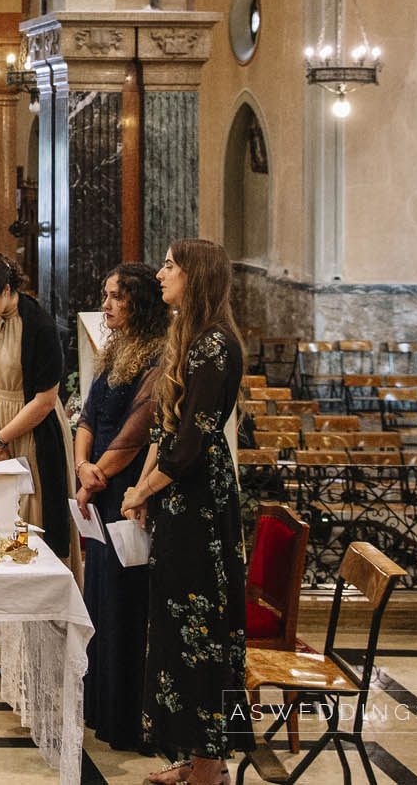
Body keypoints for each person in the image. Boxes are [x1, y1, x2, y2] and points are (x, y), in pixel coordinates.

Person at [123, 241, 248, 785]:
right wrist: (143, 487)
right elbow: (163, 428)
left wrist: (143, 490)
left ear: (195, 277)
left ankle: (209, 764)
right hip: (179, 495)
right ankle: (193, 755)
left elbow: (191, 446)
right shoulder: (189, 338)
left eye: (170, 266)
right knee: (173, 625)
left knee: (201, 630)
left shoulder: (215, 346)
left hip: (200, 502)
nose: (160, 273)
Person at [77, 262, 164, 754]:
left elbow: (139, 428)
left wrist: (98, 473)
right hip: (99, 479)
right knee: (100, 596)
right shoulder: (115, 350)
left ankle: (127, 716)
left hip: (127, 485)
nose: (106, 305)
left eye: (115, 297)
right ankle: (100, 705)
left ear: (139, 302)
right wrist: (81, 465)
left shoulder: (158, 353)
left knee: (126, 598)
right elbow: (89, 413)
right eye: (106, 295)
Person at [0, 254, 75, 571]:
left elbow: (45, 399)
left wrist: (3, 437)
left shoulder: (39, 325)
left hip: (32, 425)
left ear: (7, 289)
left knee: (31, 511)